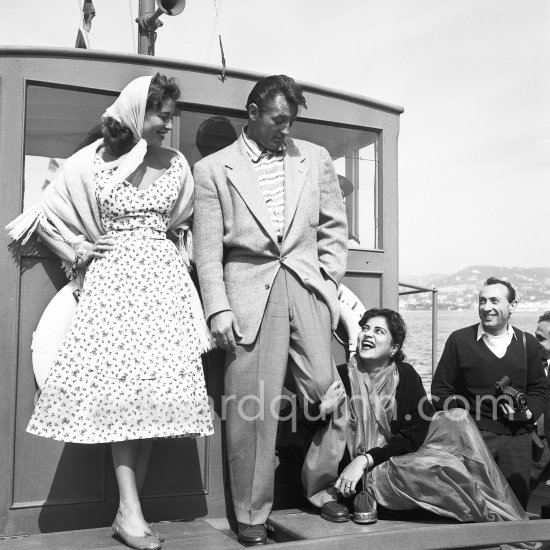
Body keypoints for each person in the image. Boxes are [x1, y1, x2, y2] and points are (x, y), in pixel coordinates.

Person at [6, 74, 213, 550]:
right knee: (123, 396)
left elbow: (183, 221)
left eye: (172, 116)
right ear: (139, 111)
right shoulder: (93, 161)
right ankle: (131, 509)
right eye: (163, 115)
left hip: (163, 287)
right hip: (115, 285)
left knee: (153, 400)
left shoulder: (177, 163)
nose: (169, 124)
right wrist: (77, 248)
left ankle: (128, 509)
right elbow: (42, 213)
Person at [193, 74, 348, 545]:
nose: (286, 129)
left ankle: (320, 487)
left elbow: (334, 227)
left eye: (292, 121)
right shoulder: (214, 170)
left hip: (304, 285)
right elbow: (206, 252)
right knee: (251, 410)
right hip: (246, 297)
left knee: (329, 389)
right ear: (254, 112)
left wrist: (326, 284)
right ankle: (252, 515)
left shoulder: (314, 158)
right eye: (279, 120)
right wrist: (218, 308)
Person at [314, 308, 528, 524]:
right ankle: (482, 515)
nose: (368, 334)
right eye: (365, 329)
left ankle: (495, 509)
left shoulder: (406, 375)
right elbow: (304, 428)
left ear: (393, 347)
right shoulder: (339, 376)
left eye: (378, 331)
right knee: (445, 468)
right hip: (358, 478)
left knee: (458, 418)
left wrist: (366, 458)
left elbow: (413, 434)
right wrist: (322, 411)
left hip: (387, 457)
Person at [431, 277, 546, 507]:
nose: (486, 307)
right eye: (482, 301)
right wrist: (465, 419)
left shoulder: (528, 343)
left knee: (515, 507)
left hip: (518, 442)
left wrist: (526, 414)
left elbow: (539, 390)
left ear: (512, 306)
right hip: (473, 440)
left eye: (494, 300)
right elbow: (440, 391)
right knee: (473, 506)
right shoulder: (459, 341)